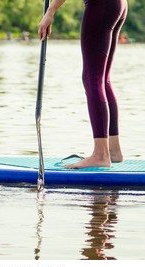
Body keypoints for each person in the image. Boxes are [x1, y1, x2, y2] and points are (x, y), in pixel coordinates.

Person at [38, 0, 127, 169]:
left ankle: (101, 155)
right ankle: (112, 150)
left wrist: (50, 11)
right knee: (102, 80)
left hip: (101, 5)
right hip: (118, 5)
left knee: (92, 79)